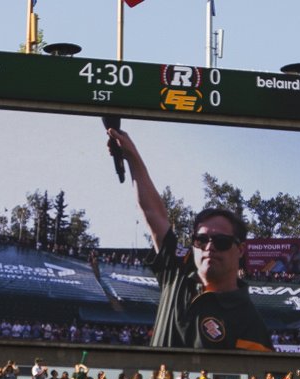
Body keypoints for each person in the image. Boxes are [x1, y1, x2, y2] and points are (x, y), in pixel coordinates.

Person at [108, 127, 271, 351]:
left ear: (240, 249)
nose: (210, 247)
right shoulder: (178, 268)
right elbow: (153, 213)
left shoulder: (250, 322)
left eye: (221, 241)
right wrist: (132, 156)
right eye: (201, 240)